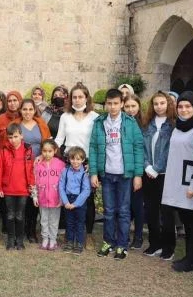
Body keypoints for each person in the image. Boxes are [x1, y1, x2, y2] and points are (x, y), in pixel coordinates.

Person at [90, 89, 144, 260]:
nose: (112, 107)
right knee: (108, 210)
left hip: (125, 175)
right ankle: (108, 241)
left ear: (121, 104)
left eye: (115, 103)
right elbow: (93, 147)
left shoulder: (130, 122)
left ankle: (122, 244)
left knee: (123, 211)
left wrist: (138, 174)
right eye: (109, 103)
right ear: (105, 104)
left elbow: (138, 148)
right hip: (106, 174)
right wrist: (93, 173)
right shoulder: (99, 122)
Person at [160, 91, 193, 268]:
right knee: (186, 220)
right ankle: (189, 257)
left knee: (192, 222)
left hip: (190, 183)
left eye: (188, 106)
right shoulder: (178, 126)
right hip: (176, 180)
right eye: (180, 106)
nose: (184, 110)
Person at [54, 83, 100, 233]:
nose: (77, 100)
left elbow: (98, 143)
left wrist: (93, 165)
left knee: (87, 199)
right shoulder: (65, 117)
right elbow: (59, 140)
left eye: (80, 97)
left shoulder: (95, 117)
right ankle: (69, 231)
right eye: (74, 97)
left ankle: (87, 234)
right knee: (69, 195)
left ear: (86, 98)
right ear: (70, 99)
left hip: (87, 162)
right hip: (69, 161)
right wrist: (46, 153)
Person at [142, 91, 176, 257]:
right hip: (149, 174)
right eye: (156, 103)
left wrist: (157, 168)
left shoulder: (173, 124)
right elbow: (141, 146)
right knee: (151, 210)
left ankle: (168, 247)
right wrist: (147, 166)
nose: (159, 106)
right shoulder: (148, 124)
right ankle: (154, 243)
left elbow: (170, 149)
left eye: (162, 103)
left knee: (166, 212)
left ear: (168, 104)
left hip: (164, 174)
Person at [0, 123, 36, 250]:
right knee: (10, 215)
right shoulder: (4, 150)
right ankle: (10, 239)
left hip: (23, 189)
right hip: (8, 189)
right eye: (10, 137)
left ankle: (19, 240)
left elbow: (31, 169)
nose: (13, 140)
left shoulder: (28, 150)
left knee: (20, 215)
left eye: (15, 136)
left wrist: (32, 185)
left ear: (21, 135)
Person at [19, 98, 51, 242]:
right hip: (21, 166)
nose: (27, 112)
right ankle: (22, 228)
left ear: (35, 110)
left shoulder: (41, 124)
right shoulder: (16, 125)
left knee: (35, 198)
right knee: (23, 197)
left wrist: (44, 158)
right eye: (25, 109)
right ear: (20, 110)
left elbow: (48, 143)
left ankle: (32, 231)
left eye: (30, 109)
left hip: (39, 166)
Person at [123, 94, 146, 249]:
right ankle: (123, 234)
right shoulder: (121, 123)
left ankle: (138, 236)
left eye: (133, 106)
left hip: (139, 169)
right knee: (125, 204)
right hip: (123, 169)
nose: (130, 109)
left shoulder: (144, 124)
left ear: (138, 107)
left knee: (137, 204)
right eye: (127, 106)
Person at [59, 146, 91, 254]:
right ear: (69, 159)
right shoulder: (65, 171)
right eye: (73, 159)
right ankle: (69, 242)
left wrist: (76, 204)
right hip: (68, 199)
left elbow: (86, 190)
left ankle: (79, 243)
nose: (75, 161)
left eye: (78, 159)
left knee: (79, 223)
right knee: (69, 222)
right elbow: (61, 187)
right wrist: (66, 202)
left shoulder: (85, 173)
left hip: (79, 201)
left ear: (82, 160)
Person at [34, 139, 65, 250]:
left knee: (54, 220)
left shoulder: (61, 165)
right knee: (44, 220)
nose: (47, 154)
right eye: (44, 151)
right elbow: (34, 181)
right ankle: (45, 239)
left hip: (55, 199)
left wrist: (62, 198)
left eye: (50, 151)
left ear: (55, 151)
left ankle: (53, 239)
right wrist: (35, 196)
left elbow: (63, 183)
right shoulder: (37, 164)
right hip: (42, 198)